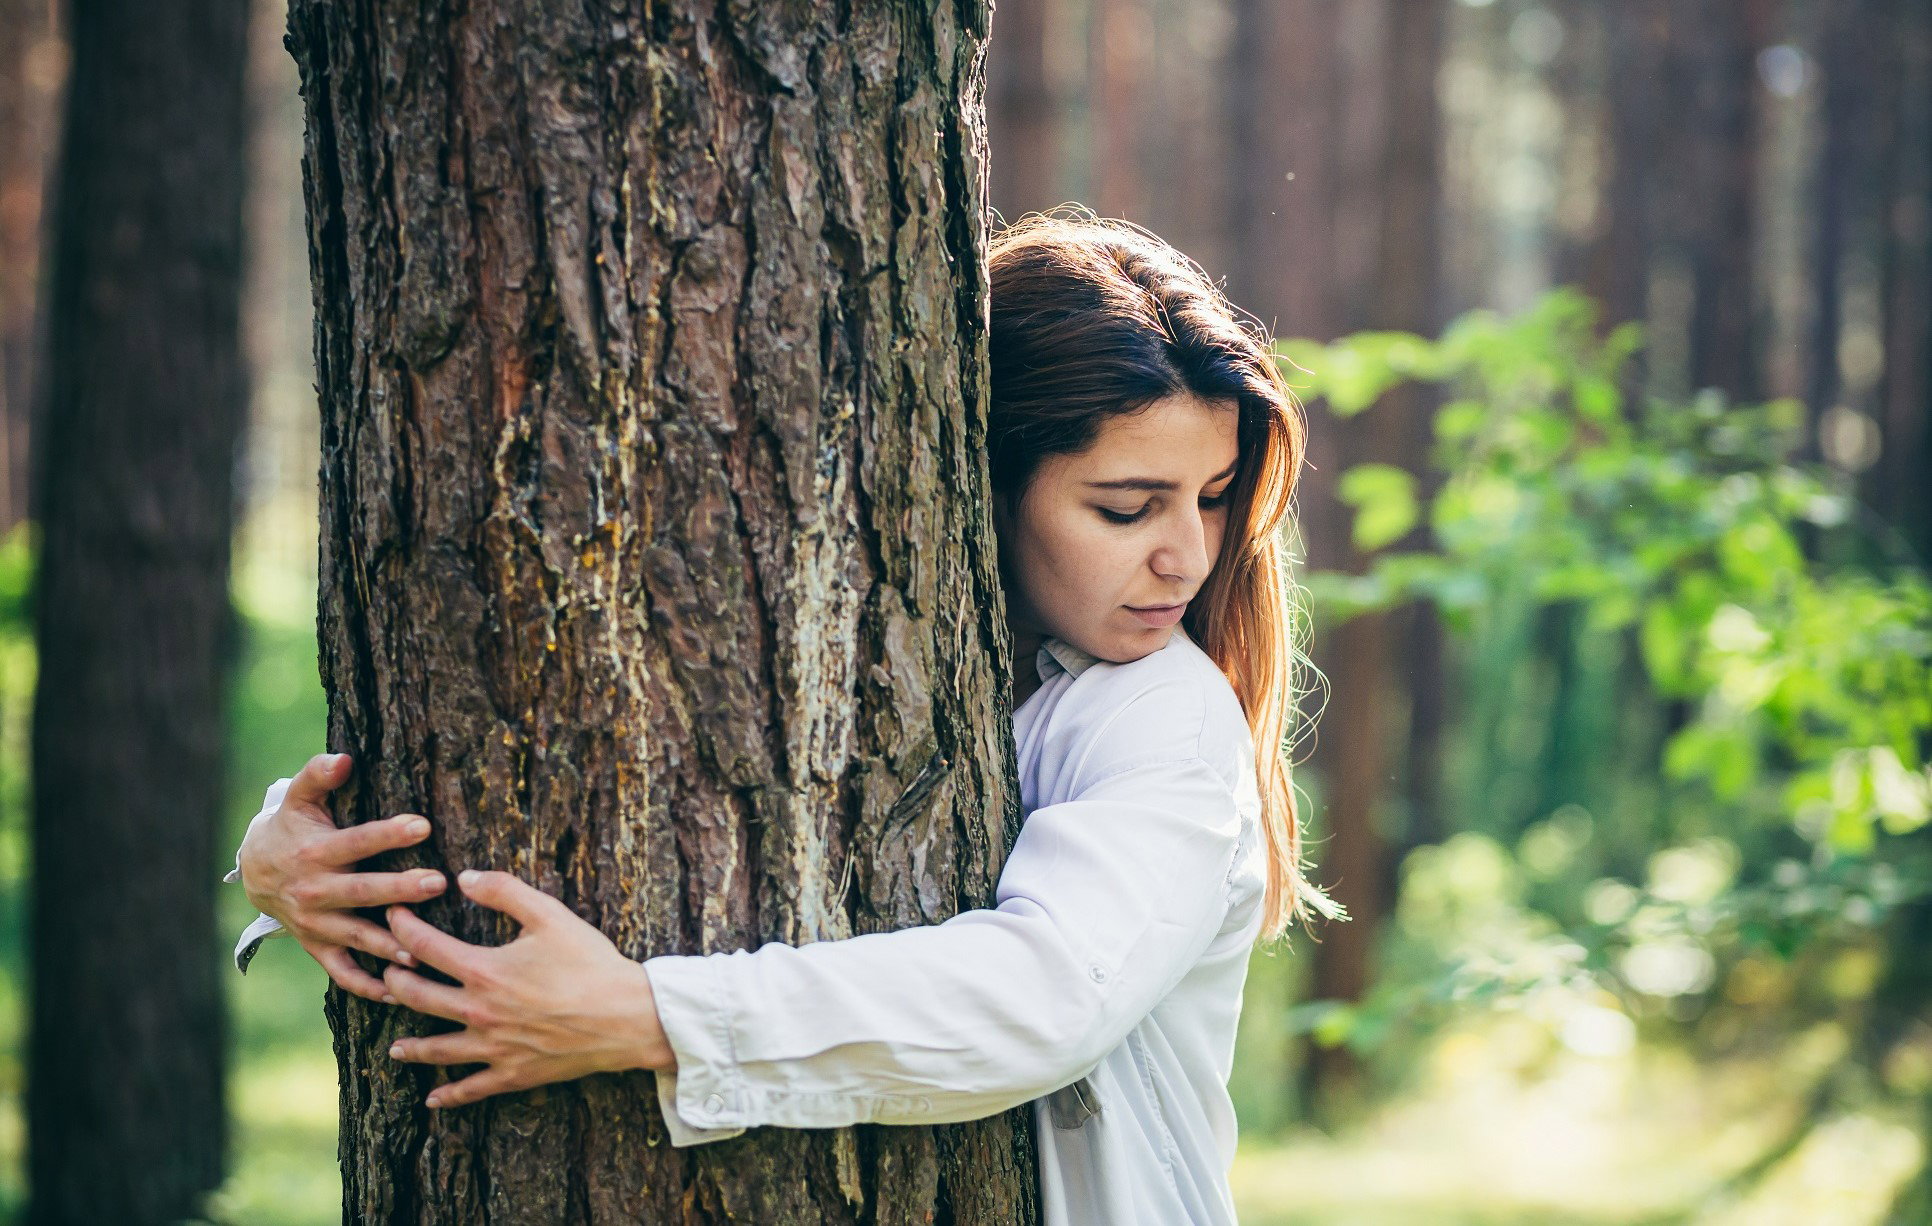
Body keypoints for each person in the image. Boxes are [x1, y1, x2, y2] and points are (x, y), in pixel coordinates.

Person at [229, 209, 1341, 1224]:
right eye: (1125, 505)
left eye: (1209, 496)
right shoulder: (897, 647)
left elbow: (1049, 994)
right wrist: (293, 847)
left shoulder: (1165, 715)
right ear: (974, 478)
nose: (1187, 555)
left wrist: (650, 1015)